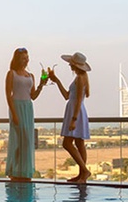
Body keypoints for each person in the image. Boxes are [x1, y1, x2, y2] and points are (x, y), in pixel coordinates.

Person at [49, 52, 91, 183]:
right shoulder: (80, 77)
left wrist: (73, 119)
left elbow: (78, 100)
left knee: (67, 143)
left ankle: (84, 171)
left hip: (75, 111)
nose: (69, 65)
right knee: (79, 143)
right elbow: (67, 96)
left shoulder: (79, 78)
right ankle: (82, 175)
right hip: (76, 110)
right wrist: (56, 81)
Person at [5, 47, 46, 181]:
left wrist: (41, 85)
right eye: (23, 57)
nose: (26, 60)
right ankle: (14, 170)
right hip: (17, 106)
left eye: (27, 57)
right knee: (18, 140)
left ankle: (24, 171)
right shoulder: (11, 74)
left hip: (28, 107)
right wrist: (14, 114)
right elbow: (8, 95)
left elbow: (33, 95)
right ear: (17, 59)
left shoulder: (30, 76)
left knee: (27, 141)